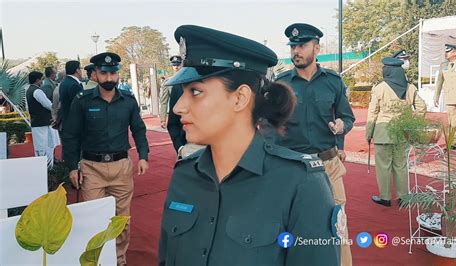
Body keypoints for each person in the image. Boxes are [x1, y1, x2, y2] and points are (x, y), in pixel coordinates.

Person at [158, 24, 341, 266]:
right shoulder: (184, 175)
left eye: (195, 91)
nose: (178, 107)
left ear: (240, 98)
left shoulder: (300, 184)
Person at [274, 23, 354, 266]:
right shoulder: (281, 83)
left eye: (302, 45)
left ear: (316, 48)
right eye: (293, 46)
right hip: (291, 166)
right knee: (289, 224)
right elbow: (269, 125)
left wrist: (341, 129)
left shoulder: (333, 81)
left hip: (328, 165)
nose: (295, 51)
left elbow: (346, 116)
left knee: (337, 224)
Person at [62, 52, 150, 265]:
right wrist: (72, 167)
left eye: (113, 73)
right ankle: (97, 260)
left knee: (121, 221)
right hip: (92, 169)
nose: (109, 77)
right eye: (104, 73)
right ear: (95, 75)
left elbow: (138, 129)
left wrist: (143, 156)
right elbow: (71, 135)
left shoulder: (128, 101)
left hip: (121, 168)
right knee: (93, 219)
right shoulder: (82, 101)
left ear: (117, 74)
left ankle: (119, 259)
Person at [366, 57, 427, 207]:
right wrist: (411, 124)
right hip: (402, 133)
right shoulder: (410, 88)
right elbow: (422, 108)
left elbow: (372, 113)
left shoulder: (379, 88)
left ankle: (385, 197)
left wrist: (368, 134)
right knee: (401, 165)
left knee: (384, 166)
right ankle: (403, 198)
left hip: (382, 133)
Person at [26, 71, 58, 168]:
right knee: (46, 147)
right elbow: (48, 104)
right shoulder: (37, 91)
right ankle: (48, 168)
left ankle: (42, 168)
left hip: (37, 122)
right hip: (43, 123)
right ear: (37, 80)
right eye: (40, 79)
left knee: (40, 147)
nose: (41, 81)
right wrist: (57, 109)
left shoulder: (29, 90)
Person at [59, 60, 83, 133]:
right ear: (77, 70)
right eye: (80, 69)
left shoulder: (64, 82)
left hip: (67, 122)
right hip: (74, 124)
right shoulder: (74, 85)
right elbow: (79, 106)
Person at [159, 55, 182, 129]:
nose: (176, 67)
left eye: (178, 64)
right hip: (174, 114)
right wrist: (163, 119)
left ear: (181, 65)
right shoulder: (168, 82)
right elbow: (164, 101)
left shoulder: (189, 80)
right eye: (174, 65)